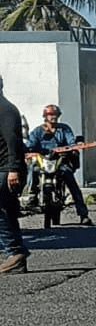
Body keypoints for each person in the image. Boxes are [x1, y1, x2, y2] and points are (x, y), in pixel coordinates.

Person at [25, 104, 91, 225]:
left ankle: (83, 214)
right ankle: (32, 197)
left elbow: (71, 141)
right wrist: (28, 151)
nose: (53, 117)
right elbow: (30, 145)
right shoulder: (37, 131)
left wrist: (75, 147)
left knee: (71, 180)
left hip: (61, 161)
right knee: (33, 169)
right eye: (50, 115)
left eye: (55, 115)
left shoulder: (64, 129)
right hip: (43, 162)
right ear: (45, 116)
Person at [0, 76, 28, 274]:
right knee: (8, 212)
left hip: (5, 169)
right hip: (4, 169)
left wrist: (13, 169)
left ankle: (14, 252)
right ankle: (16, 257)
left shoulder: (5, 109)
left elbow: (13, 141)